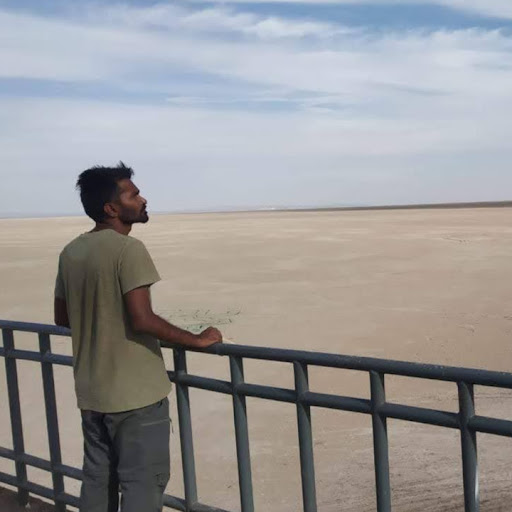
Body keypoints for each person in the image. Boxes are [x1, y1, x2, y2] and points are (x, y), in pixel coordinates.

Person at [54, 162, 222, 512]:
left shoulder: (71, 252)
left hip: (92, 392)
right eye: (133, 195)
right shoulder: (128, 250)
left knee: (98, 481)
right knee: (142, 486)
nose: (143, 199)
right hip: (136, 397)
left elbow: (62, 317)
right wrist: (197, 339)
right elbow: (142, 319)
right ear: (111, 208)